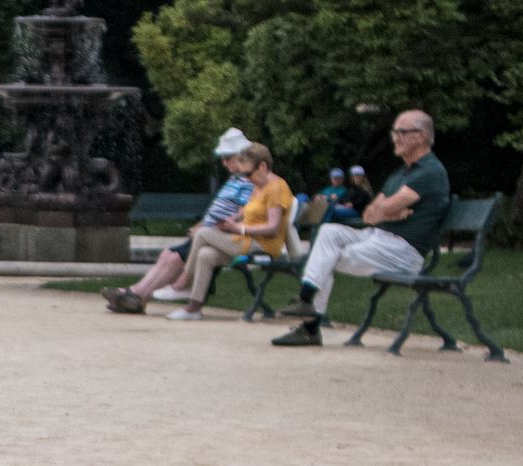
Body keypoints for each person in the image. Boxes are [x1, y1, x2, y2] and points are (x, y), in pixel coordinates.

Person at [273, 110, 451, 347]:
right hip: (378, 237)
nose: (395, 137)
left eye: (401, 132)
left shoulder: (429, 171)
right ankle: (306, 304)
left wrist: (387, 210)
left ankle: (309, 324)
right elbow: (369, 214)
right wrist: (388, 211)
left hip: (402, 251)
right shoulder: (402, 173)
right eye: (394, 132)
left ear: (421, 136)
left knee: (326, 257)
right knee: (329, 232)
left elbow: (386, 206)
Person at [100, 127, 256, 315]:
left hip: (218, 236)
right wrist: (201, 225)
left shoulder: (249, 182)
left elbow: (242, 215)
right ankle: (135, 294)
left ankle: (136, 295)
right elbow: (219, 211)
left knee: (174, 258)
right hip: (206, 233)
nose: (224, 162)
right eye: (223, 158)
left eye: (227, 158)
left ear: (241, 156)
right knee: (167, 255)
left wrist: (210, 227)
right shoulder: (235, 180)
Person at [161, 143, 292, 321]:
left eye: (248, 174)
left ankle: (183, 282)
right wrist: (232, 221)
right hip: (246, 239)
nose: (247, 178)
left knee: (202, 233)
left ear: (262, 167)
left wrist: (239, 228)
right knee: (206, 255)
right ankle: (193, 308)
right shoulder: (259, 185)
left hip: (262, 246)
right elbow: (247, 211)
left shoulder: (276, 188)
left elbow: (273, 227)